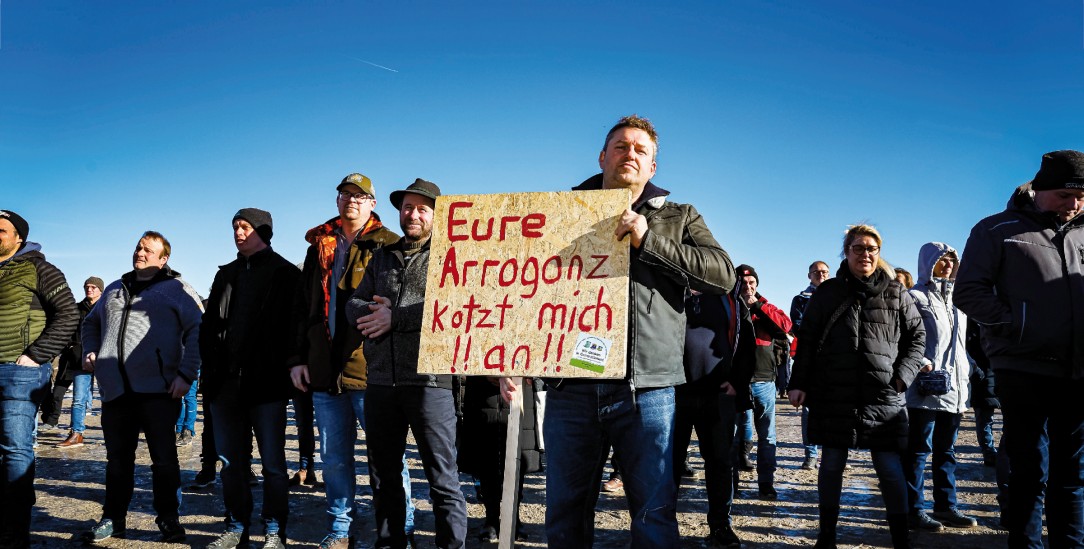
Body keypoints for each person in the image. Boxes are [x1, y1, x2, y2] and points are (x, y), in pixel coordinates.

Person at [503, 114, 735, 548]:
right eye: (621, 146)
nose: (630, 154)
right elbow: (523, 288)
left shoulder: (680, 216)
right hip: (570, 387)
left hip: (647, 391)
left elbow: (723, 276)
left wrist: (650, 241)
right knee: (565, 513)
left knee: (653, 513)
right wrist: (509, 355)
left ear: (652, 168)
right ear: (602, 156)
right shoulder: (558, 213)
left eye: (641, 150)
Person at [954, 150, 1084, 548]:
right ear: (1040, 190)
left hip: (1079, 371)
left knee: (1074, 474)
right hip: (1023, 367)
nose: (1074, 204)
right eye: (1065, 195)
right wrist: (1016, 326)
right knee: (1029, 470)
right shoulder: (998, 229)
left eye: (1082, 197)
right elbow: (969, 291)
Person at [348, 178, 468, 549]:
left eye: (421, 208)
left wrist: (395, 318)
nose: (412, 214)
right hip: (382, 381)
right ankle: (390, 544)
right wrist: (371, 310)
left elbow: (456, 307)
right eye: (407, 207)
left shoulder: (452, 255)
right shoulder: (383, 256)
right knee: (383, 478)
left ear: (436, 214)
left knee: (442, 479)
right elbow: (354, 302)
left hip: (431, 382)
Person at [788, 224, 925, 549]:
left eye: (871, 249)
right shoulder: (829, 292)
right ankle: (827, 536)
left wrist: (902, 376)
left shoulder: (895, 292)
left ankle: (900, 538)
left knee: (890, 468)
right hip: (834, 391)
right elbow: (806, 340)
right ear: (846, 252)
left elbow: (917, 337)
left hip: (883, 393)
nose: (865, 254)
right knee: (832, 464)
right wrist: (799, 382)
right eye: (858, 248)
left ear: (878, 254)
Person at [288, 173, 404, 549]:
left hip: (372, 369)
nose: (351, 201)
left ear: (372, 203)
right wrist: (298, 358)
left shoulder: (389, 244)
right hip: (324, 369)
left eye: (360, 196)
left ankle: (400, 527)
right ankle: (340, 528)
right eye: (345, 195)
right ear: (337, 202)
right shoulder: (319, 246)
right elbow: (304, 307)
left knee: (387, 457)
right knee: (334, 458)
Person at [80, 230, 202, 544]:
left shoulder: (177, 289)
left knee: (164, 461)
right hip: (115, 390)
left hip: (159, 390)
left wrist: (186, 373)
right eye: (138, 247)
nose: (140, 253)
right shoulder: (114, 289)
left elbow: (198, 330)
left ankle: (168, 518)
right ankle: (113, 519)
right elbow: (90, 323)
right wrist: (90, 350)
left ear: (164, 258)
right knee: (118, 461)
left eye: (148, 250)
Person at [200, 208, 300, 549]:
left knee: (273, 463)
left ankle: (274, 529)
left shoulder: (285, 273)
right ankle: (236, 527)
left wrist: (288, 365)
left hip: (266, 385)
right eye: (235, 227)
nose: (238, 232)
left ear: (264, 231)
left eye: (245, 227)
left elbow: (294, 327)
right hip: (224, 386)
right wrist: (210, 372)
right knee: (230, 464)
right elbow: (208, 327)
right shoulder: (225, 274)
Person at [0, 210, 79, 548]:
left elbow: (69, 312)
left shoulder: (39, 268)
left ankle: (15, 532)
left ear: (19, 237)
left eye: (0, 230)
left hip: (20, 372)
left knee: (15, 449)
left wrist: (35, 355)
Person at [902, 242, 978, 532]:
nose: (947, 264)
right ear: (927, 262)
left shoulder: (959, 300)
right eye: (941, 260)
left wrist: (970, 366)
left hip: (956, 387)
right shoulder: (914, 296)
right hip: (926, 387)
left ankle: (946, 507)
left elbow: (961, 344)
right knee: (919, 450)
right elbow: (903, 336)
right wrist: (920, 360)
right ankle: (914, 509)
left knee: (947, 451)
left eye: (951, 260)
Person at [673, 287, 754, 548]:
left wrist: (737, 382)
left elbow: (747, 342)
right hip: (673, 393)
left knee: (720, 462)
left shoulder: (728, 295)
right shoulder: (671, 286)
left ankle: (720, 525)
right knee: (668, 463)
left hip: (718, 393)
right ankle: (662, 525)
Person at [457, 376, 541, 542]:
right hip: (482, 385)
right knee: (486, 455)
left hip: (520, 384)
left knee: (519, 455)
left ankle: (514, 517)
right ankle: (491, 518)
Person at [732, 264, 791, 499]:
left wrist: (758, 305)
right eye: (743, 283)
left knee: (767, 437)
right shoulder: (728, 307)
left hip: (765, 382)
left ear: (757, 285)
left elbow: (786, 328)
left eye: (751, 283)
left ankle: (766, 483)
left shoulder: (766, 307)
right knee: (733, 435)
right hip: (736, 383)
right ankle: (732, 482)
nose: (747, 287)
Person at [46, 277, 103, 449]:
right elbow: (66, 331)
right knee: (78, 399)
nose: (90, 289)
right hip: (80, 358)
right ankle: (76, 433)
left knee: (110, 398)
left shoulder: (106, 308)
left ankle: (116, 432)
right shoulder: (77, 309)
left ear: (101, 290)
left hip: (105, 359)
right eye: (87, 286)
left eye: (93, 287)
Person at [790, 261, 830, 470]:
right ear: (809, 276)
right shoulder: (800, 299)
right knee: (809, 410)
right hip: (810, 360)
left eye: (824, 272)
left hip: (834, 361)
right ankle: (811, 454)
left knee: (835, 409)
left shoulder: (838, 295)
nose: (820, 275)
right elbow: (797, 326)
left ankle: (833, 452)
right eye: (816, 272)